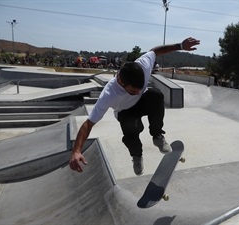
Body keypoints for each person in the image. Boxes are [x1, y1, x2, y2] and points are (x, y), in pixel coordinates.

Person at [69, 37, 200, 176]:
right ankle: (137, 156)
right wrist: (76, 151)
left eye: (139, 88)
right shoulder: (108, 94)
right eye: (132, 91)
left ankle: (157, 136)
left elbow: (154, 51)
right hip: (125, 112)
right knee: (131, 129)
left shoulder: (143, 65)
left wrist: (180, 45)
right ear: (120, 81)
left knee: (155, 95)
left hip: (142, 103)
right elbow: (88, 124)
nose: (137, 93)